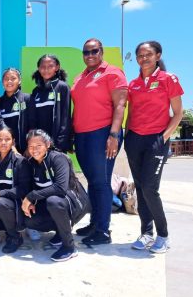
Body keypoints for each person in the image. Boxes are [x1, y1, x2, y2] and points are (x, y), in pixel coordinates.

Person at [125, 41, 184, 253]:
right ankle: (146, 233)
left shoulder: (168, 79)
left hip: (156, 140)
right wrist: (127, 135)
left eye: (148, 54)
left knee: (150, 188)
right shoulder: (133, 84)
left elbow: (178, 113)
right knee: (140, 187)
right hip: (134, 140)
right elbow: (131, 112)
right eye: (140, 55)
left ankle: (163, 235)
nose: (143, 58)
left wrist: (163, 138)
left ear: (158, 55)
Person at [71, 38, 128, 245]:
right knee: (93, 182)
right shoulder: (81, 77)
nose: (90, 55)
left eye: (94, 51)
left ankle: (103, 230)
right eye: (86, 52)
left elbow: (120, 105)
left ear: (101, 52)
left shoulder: (112, 73)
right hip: (82, 135)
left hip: (103, 133)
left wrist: (113, 135)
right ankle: (94, 223)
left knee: (101, 182)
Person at [22, 129, 90, 262]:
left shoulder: (57, 158)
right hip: (54, 204)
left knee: (54, 201)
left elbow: (60, 188)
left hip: (74, 204)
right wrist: (31, 202)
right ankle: (60, 232)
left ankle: (69, 247)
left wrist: (31, 196)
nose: (34, 150)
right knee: (30, 219)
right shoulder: (32, 163)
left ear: (47, 145)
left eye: (38, 146)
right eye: (31, 146)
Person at [30, 54, 72, 153]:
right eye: (43, 67)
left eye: (50, 66)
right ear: (39, 69)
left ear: (57, 67)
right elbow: (33, 119)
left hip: (57, 145)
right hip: (39, 145)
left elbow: (65, 117)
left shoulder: (62, 87)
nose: (46, 69)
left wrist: (60, 143)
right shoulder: (36, 91)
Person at [0, 68, 33, 154]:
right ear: (2, 83)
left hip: (26, 151)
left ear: (19, 81)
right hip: (5, 151)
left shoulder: (27, 99)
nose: (9, 81)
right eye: (6, 79)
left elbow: (33, 125)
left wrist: (29, 147)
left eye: (13, 78)